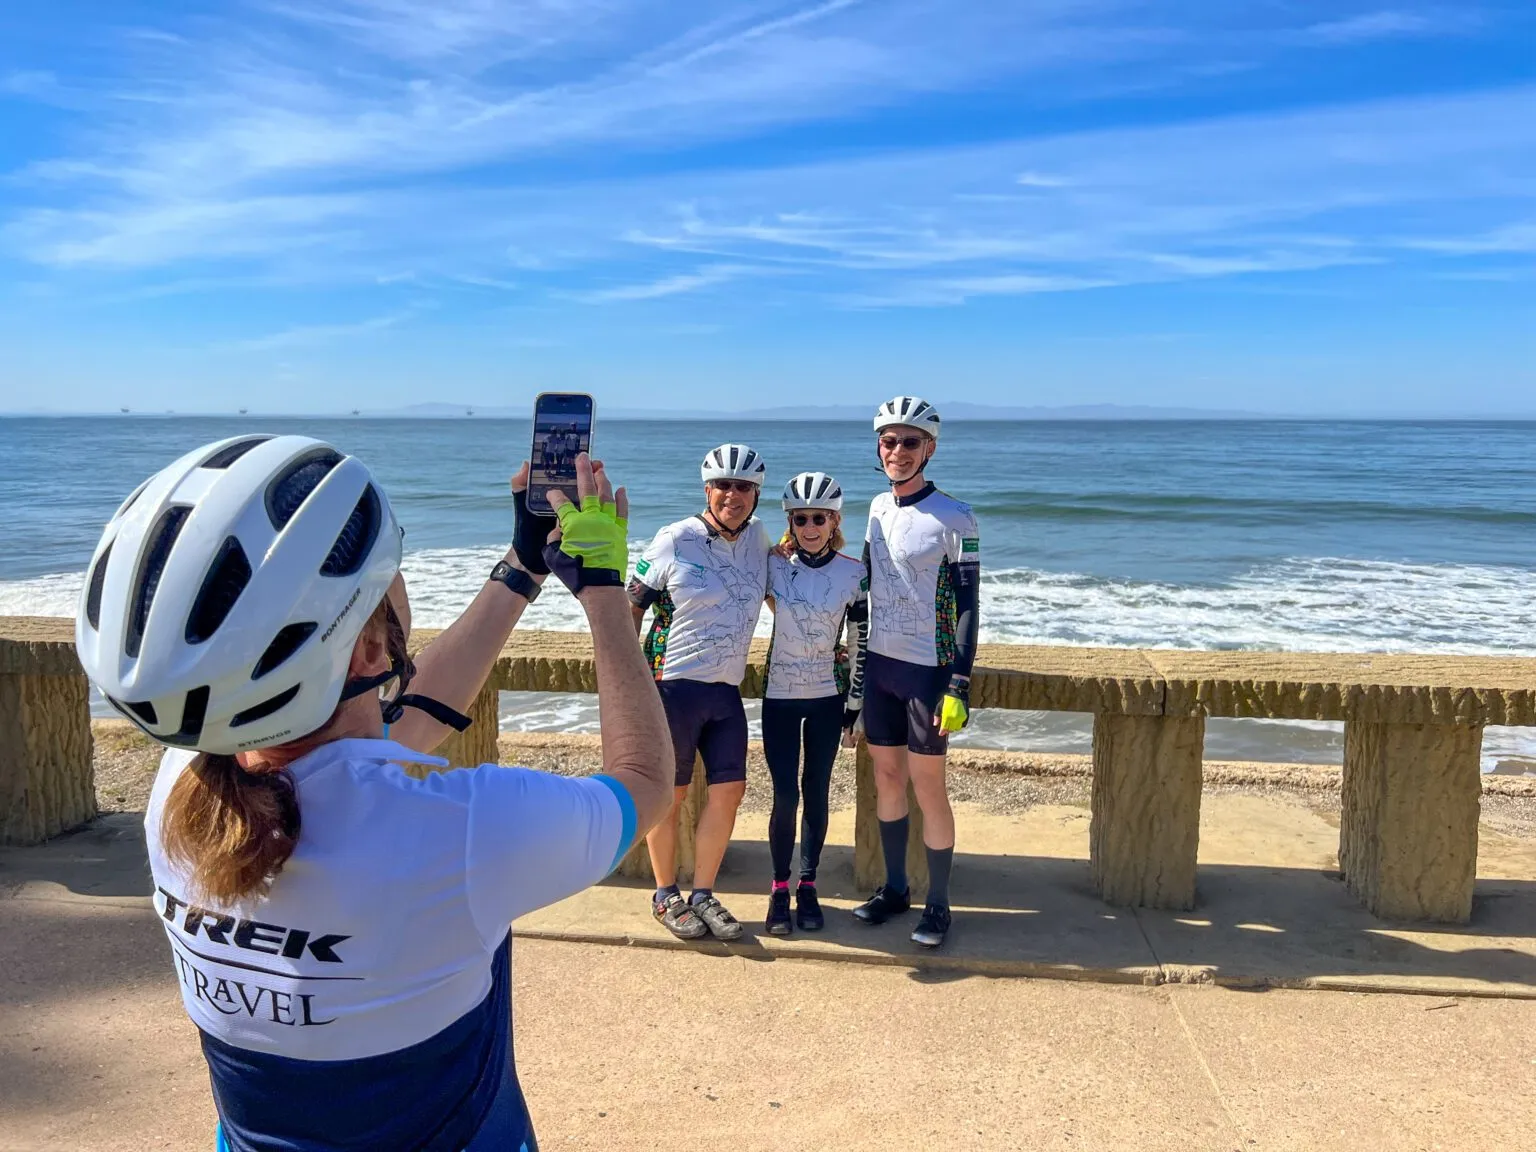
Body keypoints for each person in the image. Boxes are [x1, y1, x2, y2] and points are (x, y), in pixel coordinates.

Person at [73, 434, 671, 1151]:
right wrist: (605, 590)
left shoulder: (179, 787)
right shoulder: (463, 832)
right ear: (365, 650)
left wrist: (521, 567)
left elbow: (385, 743)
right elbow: (644, 782)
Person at [628, 443, 773, 941]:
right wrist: (625, 677)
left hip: (725, 690)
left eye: (744, 487)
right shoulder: (676, 538)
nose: (733, 495)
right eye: (724, 485)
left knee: (730, 792)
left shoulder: (758, 539)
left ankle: (704, 893)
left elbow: (792, 589)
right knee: (670, 795)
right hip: (673, 687)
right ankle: (665, 894)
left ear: (757, 494)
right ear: (707, 489)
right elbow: (632, 605)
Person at [850, 396, 981, 949]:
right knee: (885, 780)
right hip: (880, 665)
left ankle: (940, 904)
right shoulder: (877, 507)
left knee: (930, 788)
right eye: (889, 441)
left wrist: (959, 683)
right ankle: (896, 888)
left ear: (929, 447)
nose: (897, 451)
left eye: (909, 441)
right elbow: (860, 580)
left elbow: (971, 606)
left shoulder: (956, 517)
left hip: (928, 672)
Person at [761, 471, 868, 935]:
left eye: (819, 518)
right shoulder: (772, 564)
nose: (809, 526)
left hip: (827, 697)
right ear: (789, 521)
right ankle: (779, 888)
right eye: (800, 518)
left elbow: (858, 639)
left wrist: (855, 706)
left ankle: (808, 884)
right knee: (784, 796)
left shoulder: (853, 572)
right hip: (779, 696)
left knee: (816, 792)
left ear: (835, 520)